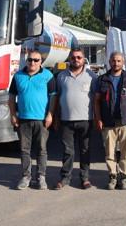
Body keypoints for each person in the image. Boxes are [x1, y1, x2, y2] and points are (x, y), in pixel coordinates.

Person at [8, 50, 57, 190]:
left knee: (41, 149)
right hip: (23, 119)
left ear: (41, 62)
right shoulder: (18, 76)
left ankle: (41, 177)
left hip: (42, 120)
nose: (32, 62)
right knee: (24, 150)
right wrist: (13, 114)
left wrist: (50, 114)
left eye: (36, 60)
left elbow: (53, 96)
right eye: (30, 60)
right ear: (26, 60)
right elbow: (11, 96)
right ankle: (26, 176)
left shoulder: (47, 76)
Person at [53, 48, 97, 190]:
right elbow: (57, 96)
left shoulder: (91, 76)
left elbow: (97, 99)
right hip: (66, 120)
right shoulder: (61, 76)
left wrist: (97, 117)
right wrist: (55, 116)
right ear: (69, 59)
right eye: (73, 57)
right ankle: (65, 178)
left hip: (86, 119)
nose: (76, 60)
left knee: (85, 150)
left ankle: (85, 178)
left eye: (79, 57)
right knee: (68, 151)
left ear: (83, 59)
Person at [94, 50, 126, 190]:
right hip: (108, 122)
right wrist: (99, 118)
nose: (116, 63)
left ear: (122, 62)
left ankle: (124, 177)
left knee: (125, 152)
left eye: (119, 60)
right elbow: (96, 101)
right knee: (109, 152)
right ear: (109, 62)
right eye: (113, 60)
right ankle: (112, 176)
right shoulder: (102, 79)